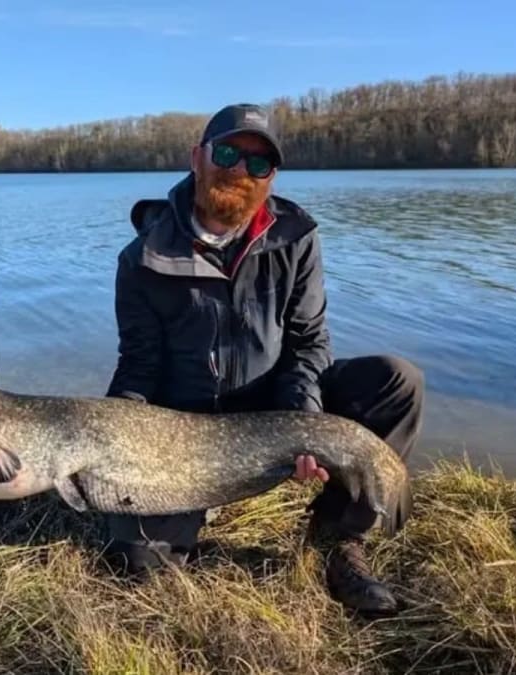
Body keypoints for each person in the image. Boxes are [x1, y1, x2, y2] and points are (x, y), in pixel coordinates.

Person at [102, 103, 424, 615]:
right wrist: (113, 437)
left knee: (396, 382)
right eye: (228, 153)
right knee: (142, 567)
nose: (240, 171)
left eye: (258, 164)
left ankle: (338, 536)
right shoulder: (140, 258)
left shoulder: (296, 238)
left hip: (277, 407)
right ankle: (189, 509)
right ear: (197, 157)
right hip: (186, 431)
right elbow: (138, 366)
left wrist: (305, 422)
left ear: (271, 177)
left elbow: (308, 343)